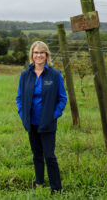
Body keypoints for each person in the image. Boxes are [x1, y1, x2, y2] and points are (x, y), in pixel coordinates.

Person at [16, 41, 67, 194]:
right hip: (31, 123)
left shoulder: (54, 74)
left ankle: (56, 189)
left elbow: (62, 98)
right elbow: (19, 98)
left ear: (46, 55)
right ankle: (39, 183)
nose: (39, 55)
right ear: (32, 55)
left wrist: (53, 115)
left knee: (49, 156)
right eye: (36, 52)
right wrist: (22, 114)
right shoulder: (25, 75)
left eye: (42, 52)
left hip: (48, 123)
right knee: (36, 154)